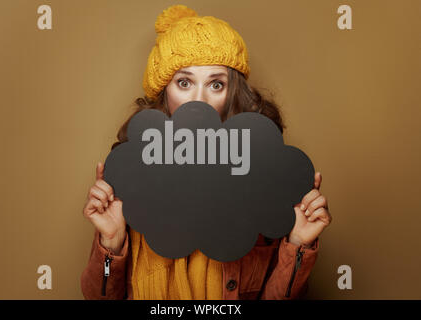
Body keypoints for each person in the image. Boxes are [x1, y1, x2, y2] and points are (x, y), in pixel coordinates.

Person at [81, 4, 332, 300]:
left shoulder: (263, 179)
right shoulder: (132, 180)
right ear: (164, 92)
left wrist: (298, 245)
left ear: (232, 94)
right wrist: (111, 244)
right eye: (184, 82)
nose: (198, 100)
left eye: (216, 84)